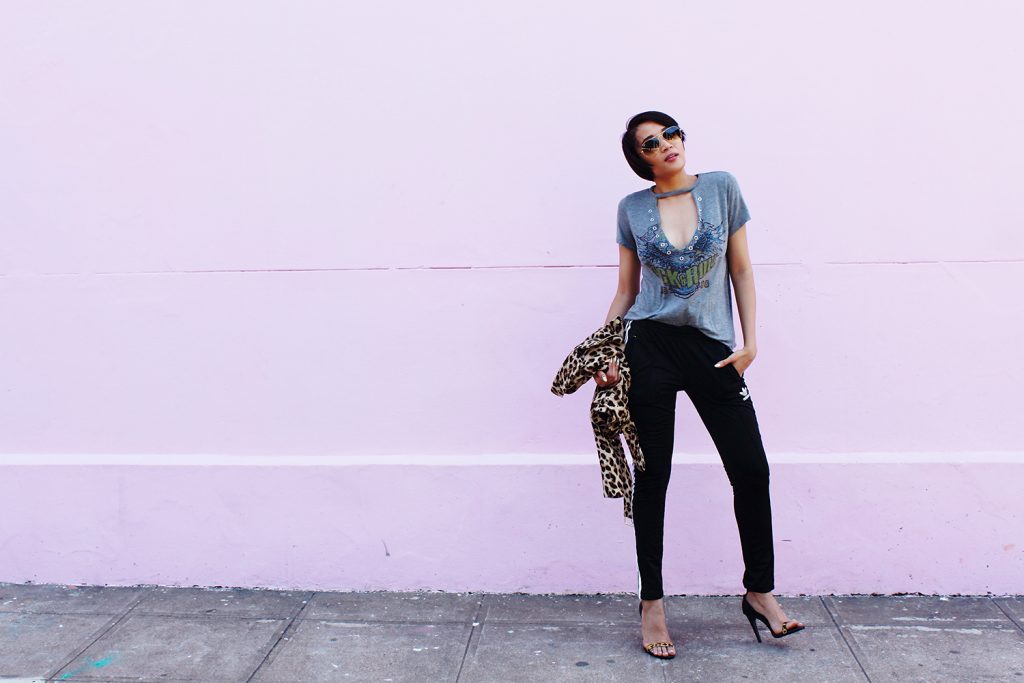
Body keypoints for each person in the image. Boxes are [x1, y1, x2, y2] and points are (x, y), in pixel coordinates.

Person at [594, 111, 805, 659]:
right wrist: (605, 348)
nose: (665, 145)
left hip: (713, 349)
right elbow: (626, 290)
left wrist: (750, 342)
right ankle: (652, 603)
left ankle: (759, 592)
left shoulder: (721, 188)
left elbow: (742, 269)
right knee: (653, 476)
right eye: (650, 143)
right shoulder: (631, 209)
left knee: (751, 469)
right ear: (639, 158)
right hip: (649, 346)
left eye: (670, 134)